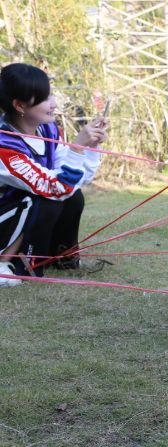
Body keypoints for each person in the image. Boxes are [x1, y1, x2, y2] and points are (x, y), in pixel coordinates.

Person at [0, 63, 107, 287]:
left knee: (73, 196)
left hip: (20, 214)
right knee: (40, 199)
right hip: (6, 216)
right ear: (19, 105)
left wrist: (90, 148)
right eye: (44, 98)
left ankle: (60, 257)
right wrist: (76, 148)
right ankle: (7, 263)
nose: (53, 103)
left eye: (51, 95)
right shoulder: (5, 146)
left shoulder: (47, 129)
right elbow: (53, 187)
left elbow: (73, 183)